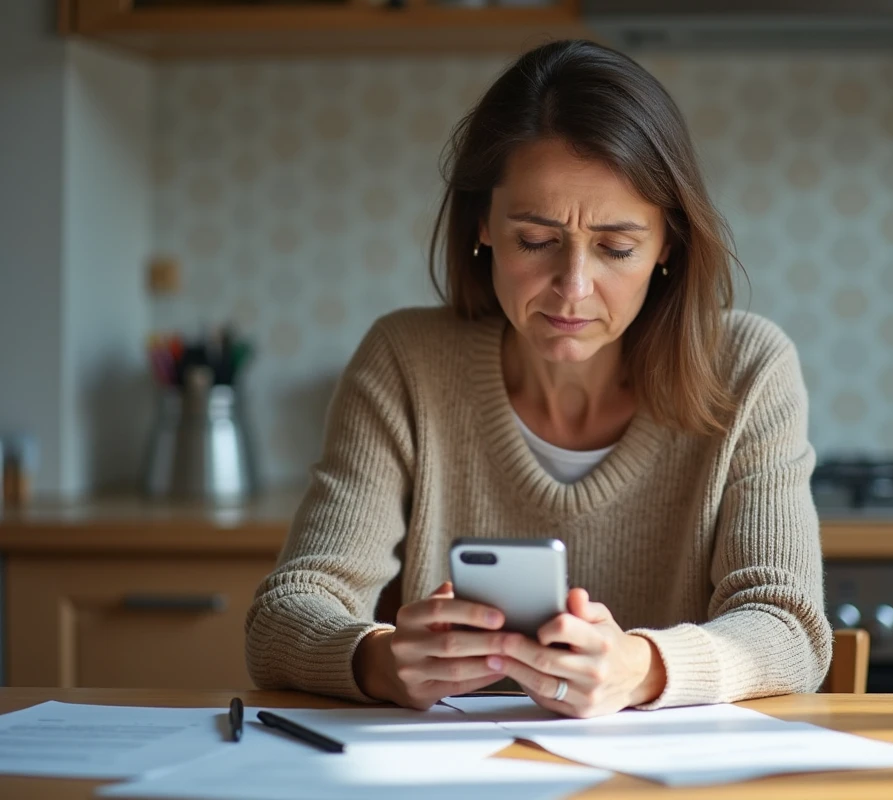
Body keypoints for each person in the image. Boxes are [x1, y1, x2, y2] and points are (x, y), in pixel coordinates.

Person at [245, 38, 831, 718]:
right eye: (535, 240)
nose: (573, 289)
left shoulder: (749, 369)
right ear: (481, 226)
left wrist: (639, 670)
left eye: (616, 247)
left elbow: (790, 630)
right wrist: (375, 660)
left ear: (667, 243)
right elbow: (283, 617)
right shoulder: (405, 361)